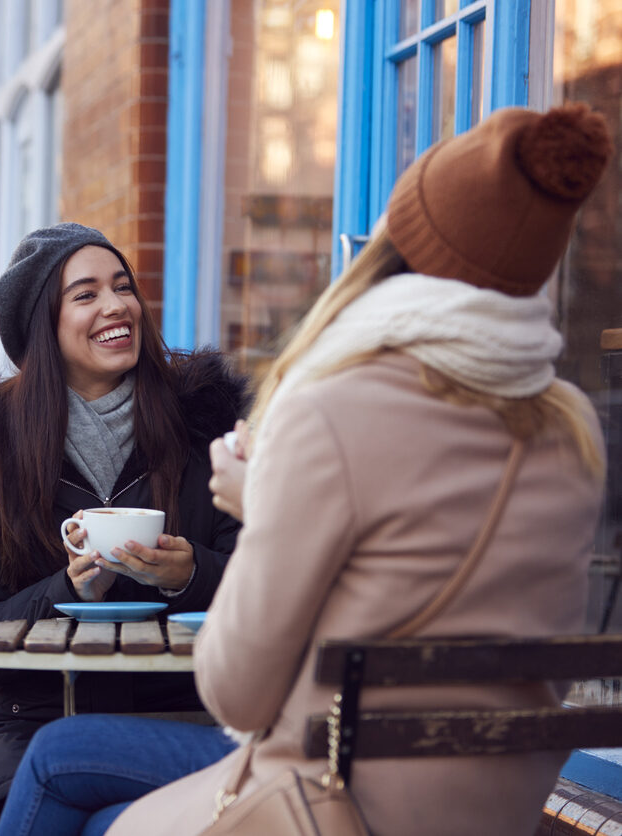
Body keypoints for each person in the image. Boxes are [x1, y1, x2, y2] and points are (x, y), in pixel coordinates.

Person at [78, 103, 610, 836]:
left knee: (76, 787)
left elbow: (236, 694)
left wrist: (260, 502)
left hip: (338, 807)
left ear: (399, 247)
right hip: (503, 807)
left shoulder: (331, 409)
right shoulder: (571, 425)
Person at [0, 222, 247, 836]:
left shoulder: (202, 423)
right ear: (43, 325)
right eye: (86, 294)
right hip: (24, 715)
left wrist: (191, 574)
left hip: (180, 706)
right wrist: (66, 592)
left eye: (123, 287)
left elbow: (265, 582)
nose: (115, 305)